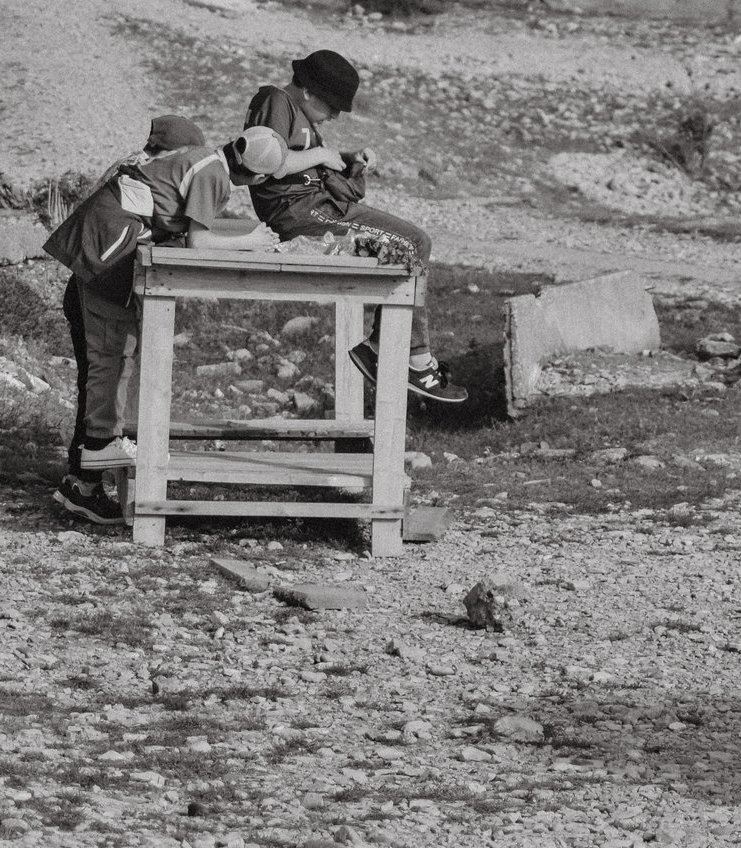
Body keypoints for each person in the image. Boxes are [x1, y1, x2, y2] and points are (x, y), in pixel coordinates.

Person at [43, 122, 288, 523]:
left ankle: (85, 476)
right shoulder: (214, 175)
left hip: (109, 234)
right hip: (113, 242)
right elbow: (199, 242)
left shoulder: (203, 157)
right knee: (112, 352)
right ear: (258, 177)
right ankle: (99, 448)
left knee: (113, 355)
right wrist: (252, 241)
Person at [241, 50, 466, 404]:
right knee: (409, 246)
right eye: (331, 106)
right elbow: (267, 163)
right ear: (309, 92)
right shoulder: (275, 101)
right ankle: (415, 362)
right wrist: (321, 155)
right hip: (300, 213)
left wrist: (347, 158)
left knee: (416, 241)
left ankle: (385, 349)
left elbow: (303, 158)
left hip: (319, 206)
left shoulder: (298, 112)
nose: (335, 114)